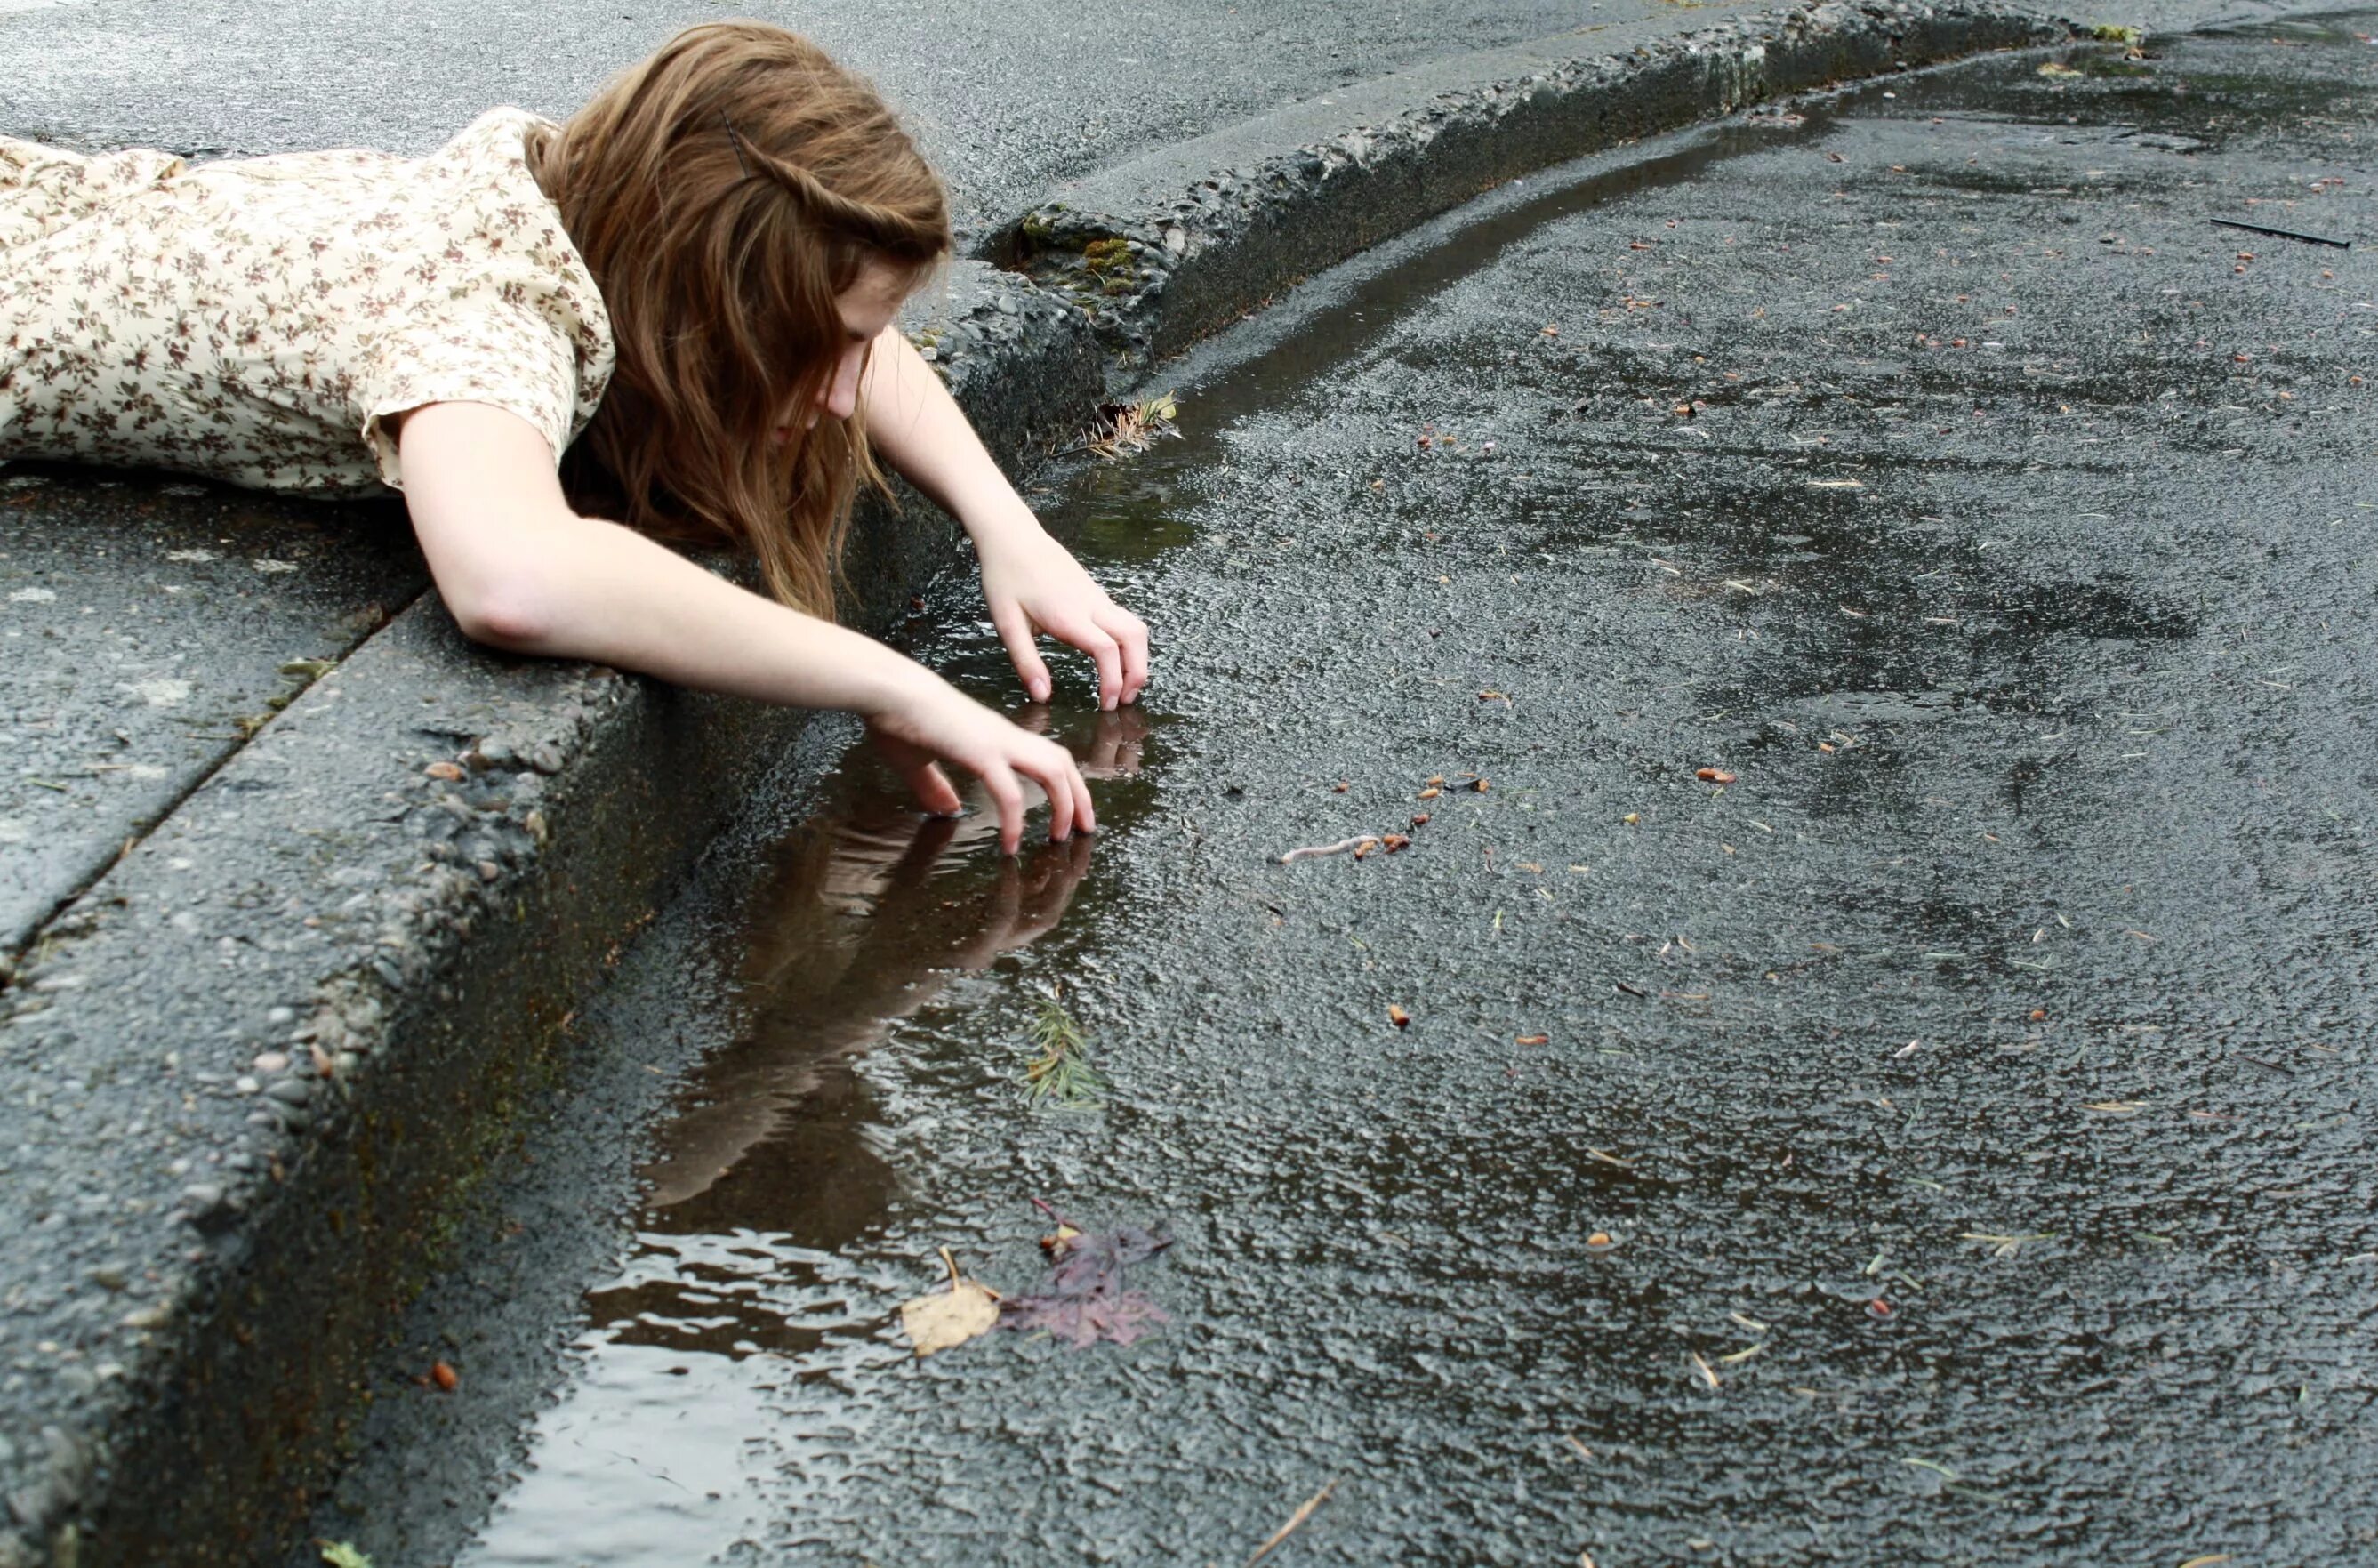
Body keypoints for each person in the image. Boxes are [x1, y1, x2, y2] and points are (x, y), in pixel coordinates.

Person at [0, 21, 1145, 854]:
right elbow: (513, 578)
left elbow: (857, 322)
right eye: (825, 346)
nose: (850, 392)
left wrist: (1008, 525)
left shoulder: (599, 197)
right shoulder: (491, 314)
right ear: (709, 301)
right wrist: (890, 685)